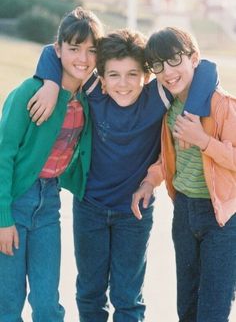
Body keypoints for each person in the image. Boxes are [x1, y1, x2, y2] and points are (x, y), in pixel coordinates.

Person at [30, 27, 218, 321]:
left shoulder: (157, 96)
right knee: (90, 292)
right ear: (102, 79)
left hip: (134, 214)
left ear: (146, 76)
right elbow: (51, 51)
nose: (123, 84)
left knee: (127, 297)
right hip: (89, 208)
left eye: (133, 74)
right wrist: (51, 84)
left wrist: (191, 111)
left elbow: (206, 67)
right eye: (114, 75)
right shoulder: (95, 92)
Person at [0, 6, 103, 322]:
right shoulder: (30, 94)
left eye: (91, 50)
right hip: (15, 202)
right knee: (8, 301)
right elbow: (3, 158)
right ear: (58, 50)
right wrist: (3, 219)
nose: (83, 58)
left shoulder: (89, 96)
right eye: (74, 48)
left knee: (47, 303)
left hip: (49, 206)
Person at [131, 27, 236, 322]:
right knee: (186, 308)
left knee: (212, 312)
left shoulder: (223, 106)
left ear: (194, 58)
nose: (167, 71)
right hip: (185, 213)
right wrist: (150, 182)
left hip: (222, 219)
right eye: (158, 65)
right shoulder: (171, 108)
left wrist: (204, 141)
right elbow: (168, 159)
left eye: (175, 60)